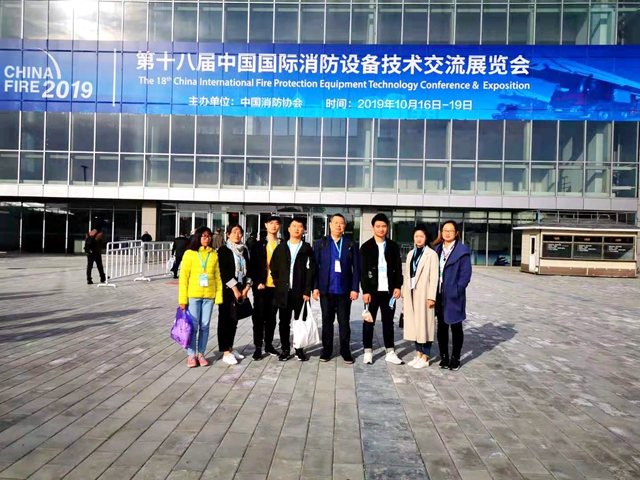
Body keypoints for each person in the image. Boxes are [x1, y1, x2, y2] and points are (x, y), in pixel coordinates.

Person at [313, 214, 360, 364]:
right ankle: (326, 351)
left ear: (344, 226)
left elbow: (356, 267)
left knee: (344, 322)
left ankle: (345, 351)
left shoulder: (350, 243)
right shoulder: (321, 243)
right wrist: (315, 287)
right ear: (330, 225)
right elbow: (315, 267)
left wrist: (355, 288)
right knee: (327, 321)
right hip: (326, 289)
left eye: (341, 223)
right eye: (336, 223)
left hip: (344, 290)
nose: (339, 226)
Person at [270, 217, 317, 362]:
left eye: (300, 226)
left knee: (300, 320)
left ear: (304, 230)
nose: (297, 229)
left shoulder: (307, 248)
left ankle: (299, 348)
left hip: (300, 292)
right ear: (289, 229)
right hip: (284, 292)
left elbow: (311, 271)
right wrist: (279, 284)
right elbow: (273, 267)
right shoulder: (281, 248)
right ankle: (285, 349)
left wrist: (307, 291)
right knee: (284, 322)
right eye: (294, 226)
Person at [360, 213, 403, 365]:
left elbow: (398, 268)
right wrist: (365, 291)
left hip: (389, 292)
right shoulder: (366, 247)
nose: (381, 229)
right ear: (373, 227)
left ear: (387, 228)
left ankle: (390, 351)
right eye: (378, 226)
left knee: (388, 322)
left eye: (383, 226)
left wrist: (398, 286)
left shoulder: (393, 246)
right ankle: (368, 351)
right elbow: (363, 271)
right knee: (368, 322)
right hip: (372, 292)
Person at [178, 226, 223, 368]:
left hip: (209, 296)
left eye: (208, 236)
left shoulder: (213, 254)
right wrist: (182, 299)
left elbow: (217, 277)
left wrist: (219, 296)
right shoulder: (189, 254)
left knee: (205, 326)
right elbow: (183, 278)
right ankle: (191, 354)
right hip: (193, 296)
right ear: (198, 237)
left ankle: (201, 354)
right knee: (193, 327)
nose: (207, 239)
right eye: (204, 236)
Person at [433, 221, 472, 371]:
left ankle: (456, 358)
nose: (447, 233)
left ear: (456, 233)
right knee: (441, 327)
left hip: (454, 295)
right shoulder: (437, 250)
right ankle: (444, 356)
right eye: (445, 230)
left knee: (456, 326)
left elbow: (465, 275)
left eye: (450, 230)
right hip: (439, 294)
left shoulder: (462, 251)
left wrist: (457, 290)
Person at [402, 225, 439, 369]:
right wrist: (405, 295)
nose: (418, 239)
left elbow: (434, 277)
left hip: (424, 294)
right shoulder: (411, 254)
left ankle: (426, 357)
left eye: (421, 236)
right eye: (416, 236)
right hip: (411, 294)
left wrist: (431, 297)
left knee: (426, 325)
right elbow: (407, 275)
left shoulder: (431, 254)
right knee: (415, 326)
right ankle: (418, 354)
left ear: (426, 238)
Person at [217, 224, 252, 365]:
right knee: (225, 320)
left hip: (241, 289)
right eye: (234, 232)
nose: (237, 235)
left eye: (240, 232)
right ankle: (225, 351)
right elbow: (224, 272)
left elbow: (249, 270)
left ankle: (231, 348)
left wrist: (246, 288)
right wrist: (235, 290)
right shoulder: (224, 250)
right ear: (228, 234)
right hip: (228, 290)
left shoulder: (244, 250)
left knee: (234, 320)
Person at [248, 215, 282, 360]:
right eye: (271, 223)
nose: (274, 226)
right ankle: (258, 346)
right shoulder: (258, 245)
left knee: (272, 318)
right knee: (259, 318)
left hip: (277, 287)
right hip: (262, 287)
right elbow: (252, 266)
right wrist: (257, 282)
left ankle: (269, 344)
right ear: (266, 225)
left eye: (277, 223)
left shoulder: (282, 244)